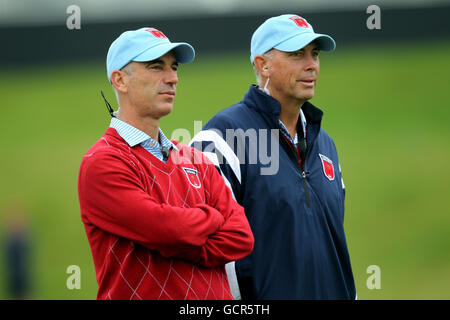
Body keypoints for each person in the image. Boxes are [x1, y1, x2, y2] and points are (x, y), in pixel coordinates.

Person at [77, 27, 254, 300]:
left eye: (174, 68)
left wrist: (182, 239)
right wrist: (213, 218)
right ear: (120, 80)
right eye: (156, 67)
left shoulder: (195, 158)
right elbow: (164, 229)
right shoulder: (102, 162)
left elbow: (242, 236)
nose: (172, 78)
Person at [190, 14, 356, 299]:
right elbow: (204, 248)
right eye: (296, 54)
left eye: (314, 54)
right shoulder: (221, 137)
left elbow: (335, 243)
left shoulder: (324, 143)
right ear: (262, 64)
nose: (311, 65)